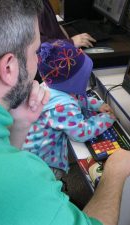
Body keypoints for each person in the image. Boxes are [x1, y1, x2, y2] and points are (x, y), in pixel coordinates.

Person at [0, 1, 130, 225]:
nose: (40, 61)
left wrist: (19, 127)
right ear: (9, 68)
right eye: (36, 52)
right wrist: (115, 172)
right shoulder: (19, 177)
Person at [23, 39, 116, 178]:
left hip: (27, 153)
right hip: (43, 166)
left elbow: (74, 98)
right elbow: (81, 133)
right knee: (52, 183)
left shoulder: (50, 86)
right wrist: (106, 119)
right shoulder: (63, 106)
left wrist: (96, 105)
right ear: (75, 82)